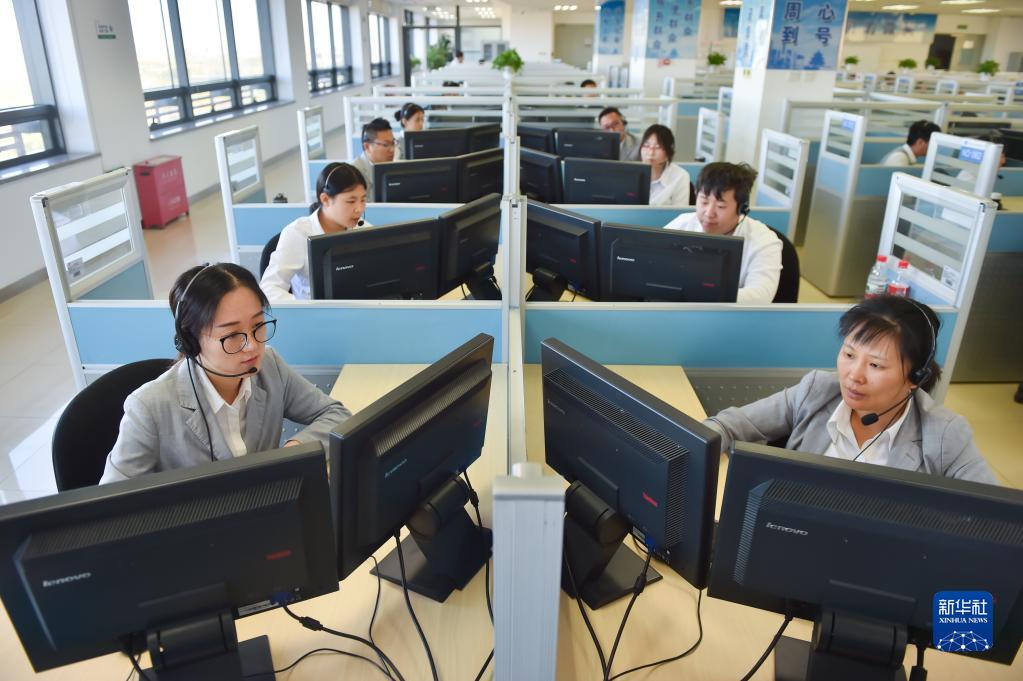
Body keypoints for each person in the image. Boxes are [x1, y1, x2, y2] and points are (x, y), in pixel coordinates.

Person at [704, 295, 998, 484]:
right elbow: (728, 425)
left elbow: (994, 517)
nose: (854, 375)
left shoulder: (944, 434)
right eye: (848, 354)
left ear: (915, 377)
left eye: (876, 365)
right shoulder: (818, 391)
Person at [100, 263, 351, 483]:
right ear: (191, 340)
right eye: (232, 335)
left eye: (258, 325)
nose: (252, 345)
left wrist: (295, 450)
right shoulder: (149, 407)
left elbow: (336, 414)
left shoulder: (269, 366)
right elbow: (114, 501)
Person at [664, 162, 782, 304]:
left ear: (741, 208)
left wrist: (699, 293)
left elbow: (760, 296)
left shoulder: (763, 240)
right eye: (704, 202)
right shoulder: (682, 224)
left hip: (732, 316)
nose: (709, 213)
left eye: (721, 206)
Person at [261, 163, 369, 302]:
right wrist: (307, 308)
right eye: (351, 201)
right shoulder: (298, 233)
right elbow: (269, 288)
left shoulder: (363, 229)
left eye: (363, 200)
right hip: (312, 313)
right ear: (325, 199)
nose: (359, 209)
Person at [639, 124, 691, 207]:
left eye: (658, 147)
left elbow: (680, 212)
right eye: (646, 146)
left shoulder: (680, 176)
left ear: (668, 152)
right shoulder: (630, 173)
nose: (650, 153)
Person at [351, 118, 396, 200]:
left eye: (393, 143)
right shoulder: (354, 174)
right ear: (367, 147)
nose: (392, 149)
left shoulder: (390, 166)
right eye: (386, 144)